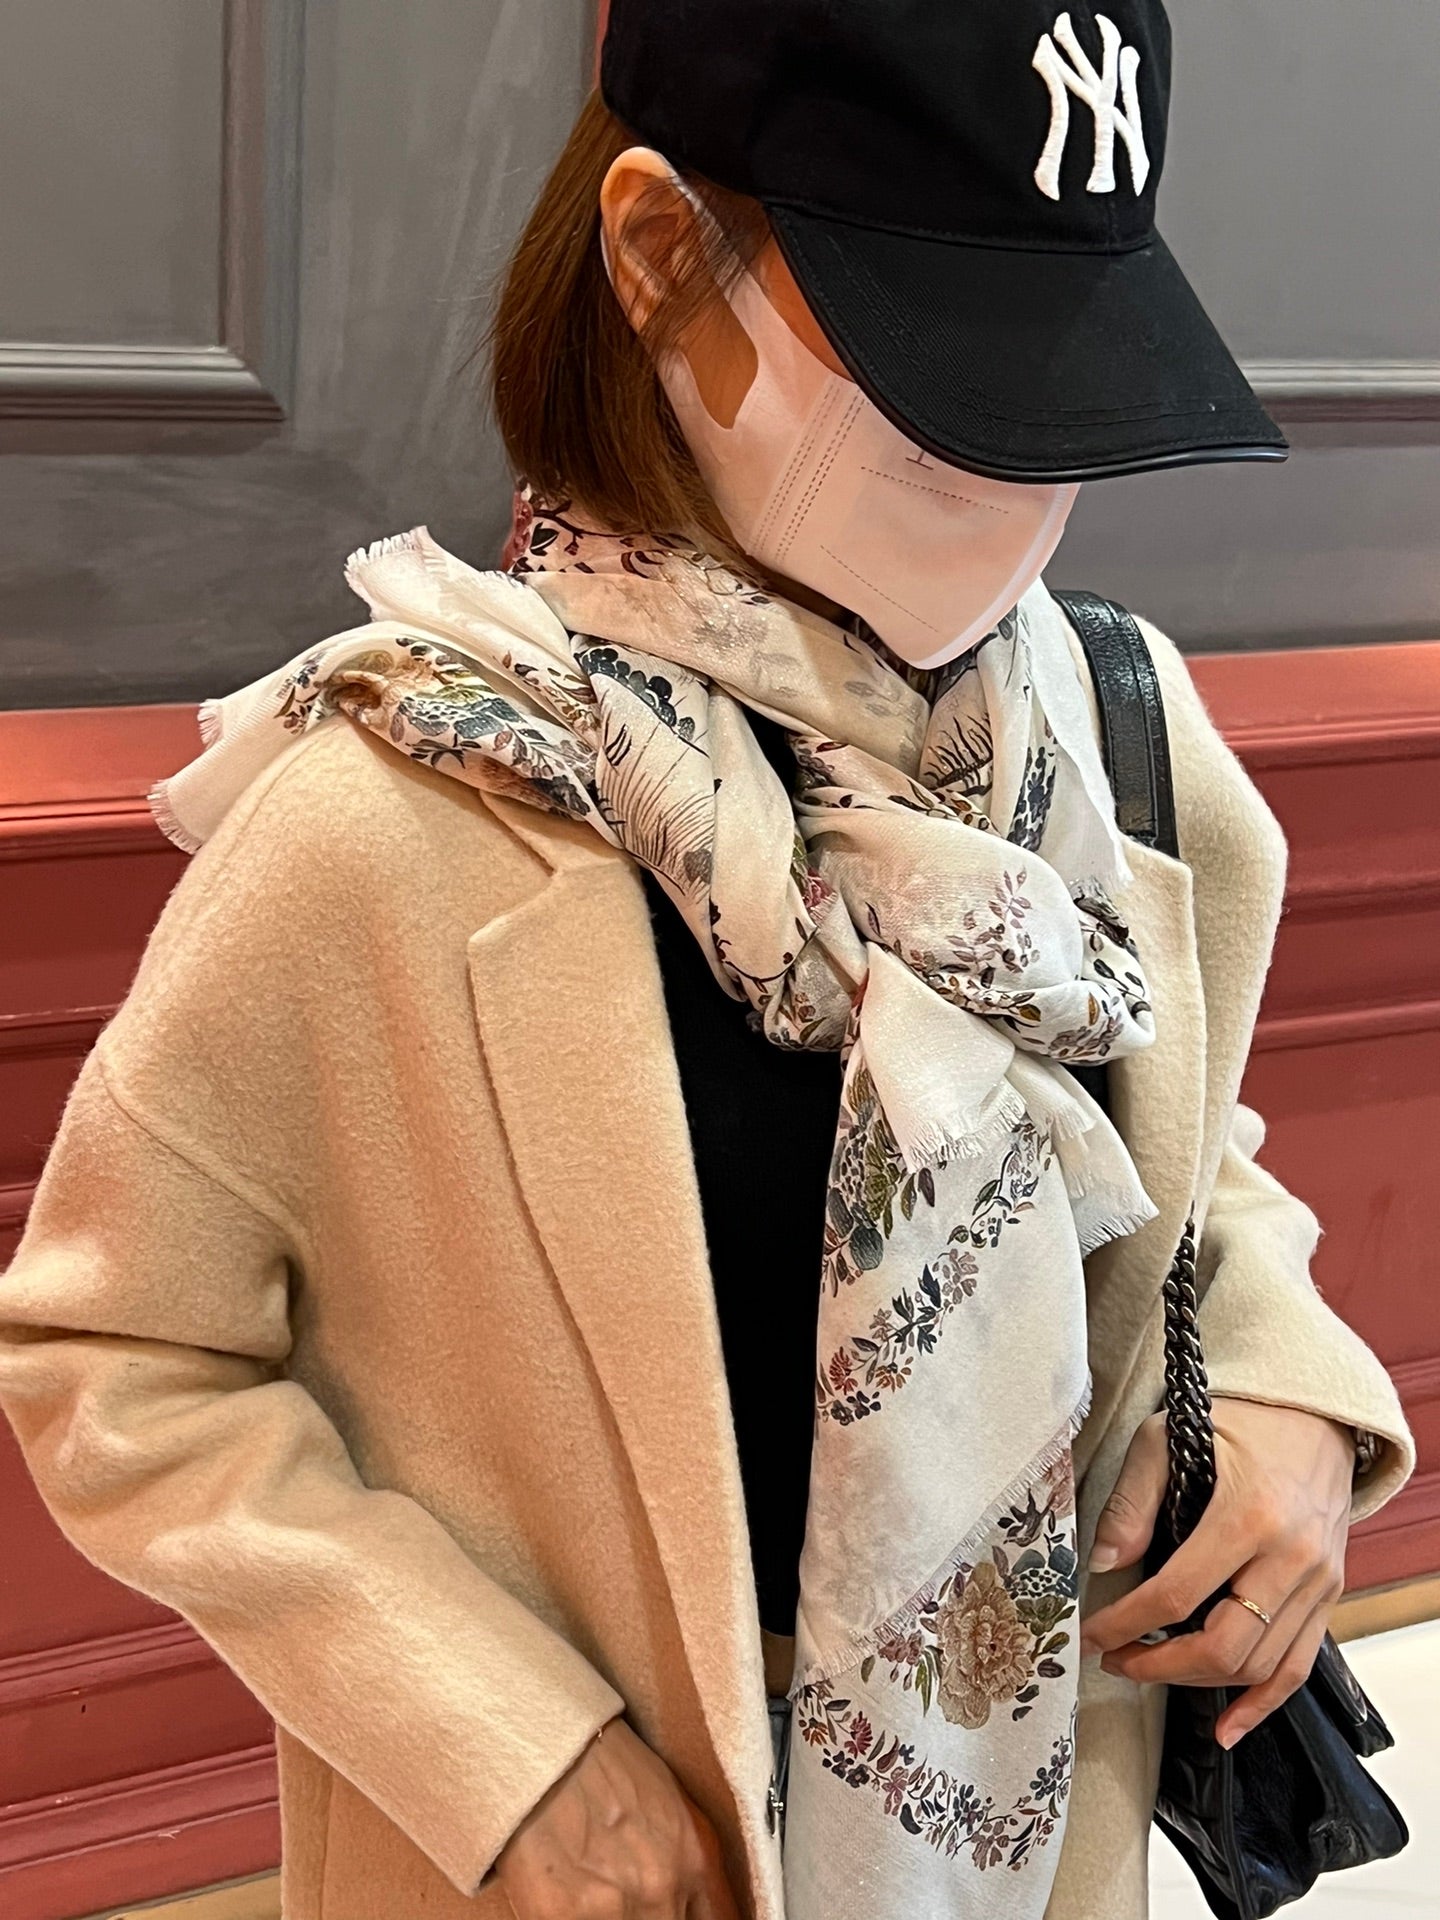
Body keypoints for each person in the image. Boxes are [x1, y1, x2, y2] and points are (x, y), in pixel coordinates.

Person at [0, 3, 1414, 1918]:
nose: (1020, 484)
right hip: (594, 1866)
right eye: (945, 386)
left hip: (1031, 1824)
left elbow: (1180, 1145)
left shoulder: (1110, 744)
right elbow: (114, 1353)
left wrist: (1282, 1386)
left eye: (1072, 394)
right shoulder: (398, 810)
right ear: (662, 254)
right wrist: (496, 1744)